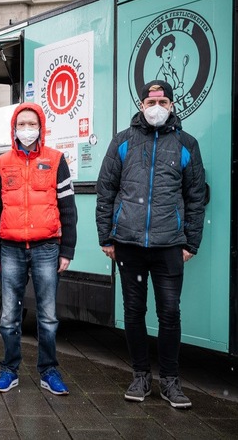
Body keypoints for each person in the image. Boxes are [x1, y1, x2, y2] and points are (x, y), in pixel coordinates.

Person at [96, 80, 205, 409]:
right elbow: (106, 190)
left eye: (162, 101)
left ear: (171, 105)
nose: (155, 107)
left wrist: (191, 243)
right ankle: (140, 376)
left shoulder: (187, 144)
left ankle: (170, 381)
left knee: (170, 314)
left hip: (169, 246)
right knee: (134, 312)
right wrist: (106, 237)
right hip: (128, 244)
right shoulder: (123, 142)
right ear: (141, 104)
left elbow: (196, 197)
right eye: (150, 101)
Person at [0, 102, 77, 396]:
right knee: (9, 316)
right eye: (21, 124)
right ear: (14, 128)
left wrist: (67, 250)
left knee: (48, 316)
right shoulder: (2, 163)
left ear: (41, 127)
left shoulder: (56, 160)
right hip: (12, 248)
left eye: (32, 123)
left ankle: (49, 370)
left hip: (46, 248)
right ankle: (9, 370)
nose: (27, 129)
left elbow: (68, 208)